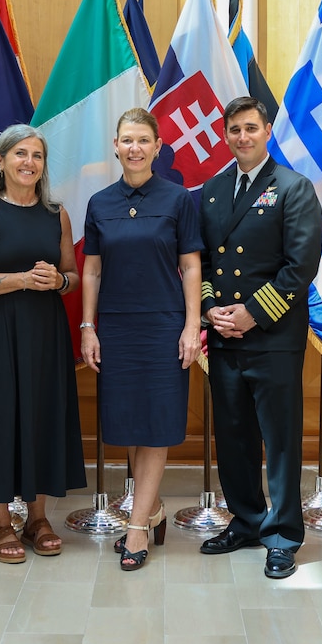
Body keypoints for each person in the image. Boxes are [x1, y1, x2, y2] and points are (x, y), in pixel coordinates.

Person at [0, 124, 86, 565]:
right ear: (1, 161)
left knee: (42, 416)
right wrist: (21, 280)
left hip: (45, 331)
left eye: (37, 156)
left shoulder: (56, 214)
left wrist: (59, 280)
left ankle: (38, 518)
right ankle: (2, 522)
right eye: (20, 154)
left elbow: (73, 276)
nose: (29, 162)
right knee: (0, 419)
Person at [197, 96, 322, 580]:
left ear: (267, 131)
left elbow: (300, 266)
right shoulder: (212, 190)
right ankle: (247, 520)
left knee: (280, 439)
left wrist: (251, 313)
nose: (243, 137)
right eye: (234, 130)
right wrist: (211, 308)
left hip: (271, 336)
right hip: (225, 336)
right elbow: (205, 260)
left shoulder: (292, 187)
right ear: (225, 135)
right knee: (233, 436)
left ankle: (283, 534)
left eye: (251, 128)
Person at [80, 108, 202, 571]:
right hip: (115, 325)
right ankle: (151, 509)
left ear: (157, 146)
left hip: (163, 325)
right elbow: (91, 269)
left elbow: (191, 266)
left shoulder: (178, 200)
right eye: (126, 140)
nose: (134, 148)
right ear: (115, 146)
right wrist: (88, 327)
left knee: (155, 423)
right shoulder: (99, 203)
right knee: (130, 424)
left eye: (143, 141)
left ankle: (136, 529)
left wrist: (192, 326)